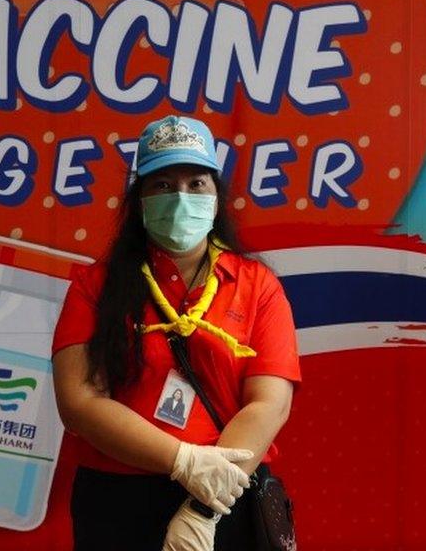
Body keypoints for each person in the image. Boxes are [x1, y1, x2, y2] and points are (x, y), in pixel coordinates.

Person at [52, 115, 301, 551]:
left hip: (227, 497)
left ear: (217, 197)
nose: (181, 198)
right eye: (163, 185)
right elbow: (78, 402)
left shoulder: (257, 285)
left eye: (195, 184)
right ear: (140, 199)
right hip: (116, 502)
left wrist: (202, 507)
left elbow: (269, 404)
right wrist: (183, 460)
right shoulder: (95, 287)